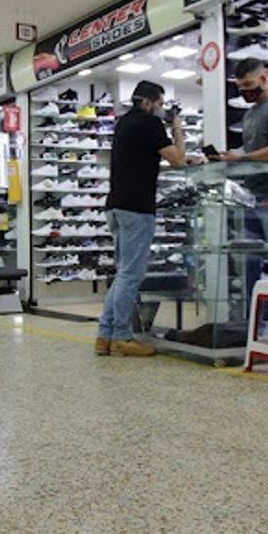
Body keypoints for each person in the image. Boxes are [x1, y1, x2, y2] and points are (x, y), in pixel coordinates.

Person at [96, 80, 202, 357]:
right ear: (147, 103)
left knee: (123, 274)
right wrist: (176, 127)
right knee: (131, 276)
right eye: (160, 104)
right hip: (137, 207)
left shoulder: (124, 122)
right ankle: (121, 336)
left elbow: (152, 158)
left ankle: (104, 335)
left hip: (116, 205)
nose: (162, 110)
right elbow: (178, 159)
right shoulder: (150, 123)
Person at [214, 57, 268, 308]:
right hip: (251, 195)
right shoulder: (250, 114)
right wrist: (229, 157)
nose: (245, 91)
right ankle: (255, 325)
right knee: (248, 265)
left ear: (265, 78)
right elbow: (252, 151)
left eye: (249, 85)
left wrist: (243, 158)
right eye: (240, 87)